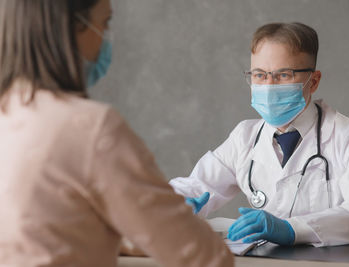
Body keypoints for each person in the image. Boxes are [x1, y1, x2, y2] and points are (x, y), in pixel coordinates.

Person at [0, 1, 234, 267]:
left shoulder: (9, 116)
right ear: (73, 27)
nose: (106, 38)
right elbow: (205, 258)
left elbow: (41, 231)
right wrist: (172, 222)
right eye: (105, 22)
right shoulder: (91, 128)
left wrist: (121, 237)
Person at [170, 22, 349, 247]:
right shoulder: (245, 136)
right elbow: (196, 185)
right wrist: (174, 204)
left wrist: (292, 229)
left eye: (284, 75)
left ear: (313, 81)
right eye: (259, 75)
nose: (268, 86)